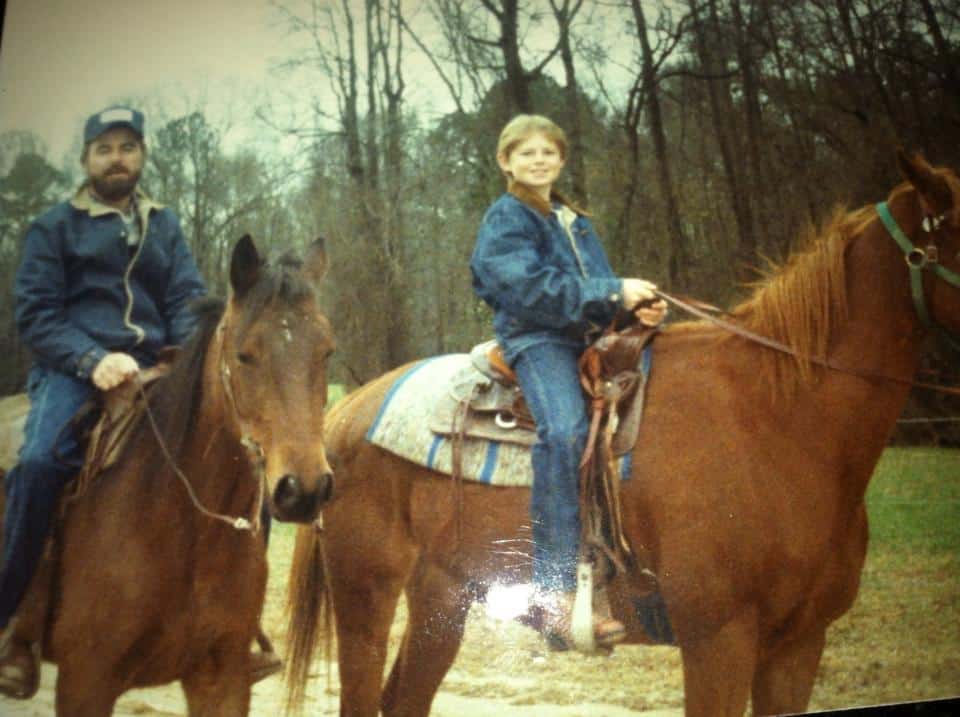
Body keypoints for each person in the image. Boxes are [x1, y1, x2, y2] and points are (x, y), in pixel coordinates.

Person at [0, 106, 279, 698]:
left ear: (142, 156)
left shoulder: (164, 224)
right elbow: (37, 315)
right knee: (42, 462)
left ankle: (241, 626)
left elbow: (183, 296)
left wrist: (181, 356)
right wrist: (91, 359)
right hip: (72, 371)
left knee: (245, 461)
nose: (117, 158)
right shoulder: (54, 228)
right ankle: (13, 625)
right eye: (105, 149)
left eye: (128, 147)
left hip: (157, 368)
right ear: (85, 160)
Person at [470, 114, 667, 648]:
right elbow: (527, 288)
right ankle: (550, 593)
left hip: (587, 338)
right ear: (505, 161)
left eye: (548, 153)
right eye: (526, 153)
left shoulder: (574, 220)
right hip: (537, 339)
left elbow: (600, 288)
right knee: (564, 432)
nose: (538, 161)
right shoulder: (506, 219)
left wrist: (633, 312)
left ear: (560, 160)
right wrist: (612, 293)